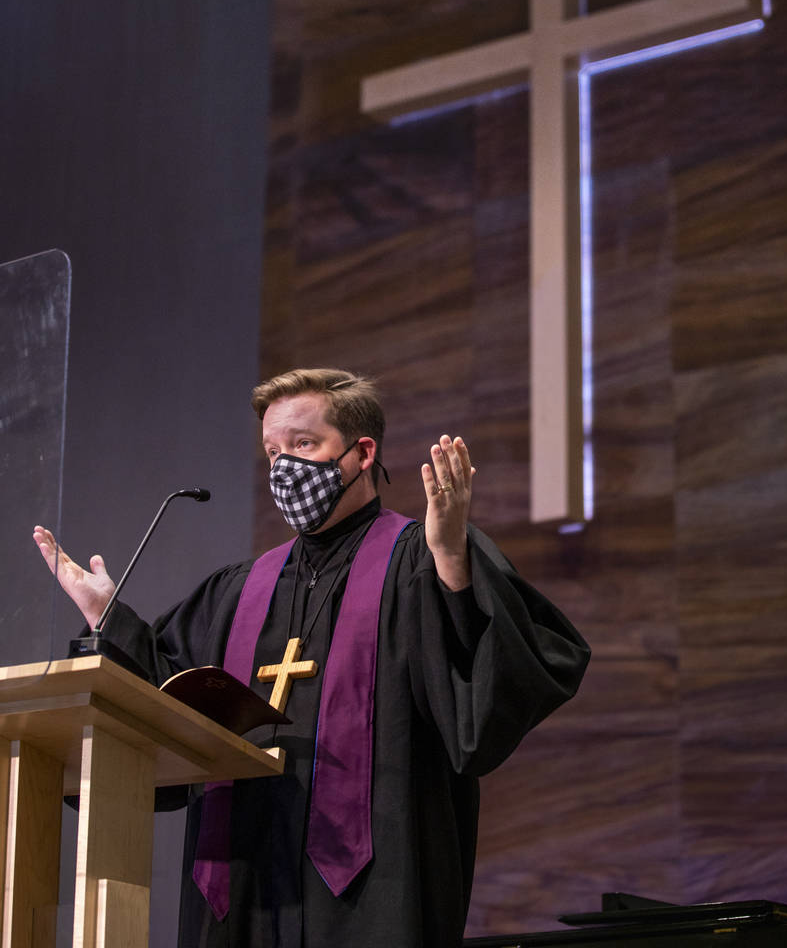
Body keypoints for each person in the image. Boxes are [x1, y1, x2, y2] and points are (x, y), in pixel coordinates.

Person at [34, 367, 590, 948]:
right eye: (273, 452)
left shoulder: (419, 557)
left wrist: (452, 562)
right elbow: (163, 698)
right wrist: (109, 620)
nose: (284, 468)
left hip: (371, 890)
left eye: (303, 445)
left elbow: (497, 678)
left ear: (360, 452)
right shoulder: (241, 588)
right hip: (243, 884)